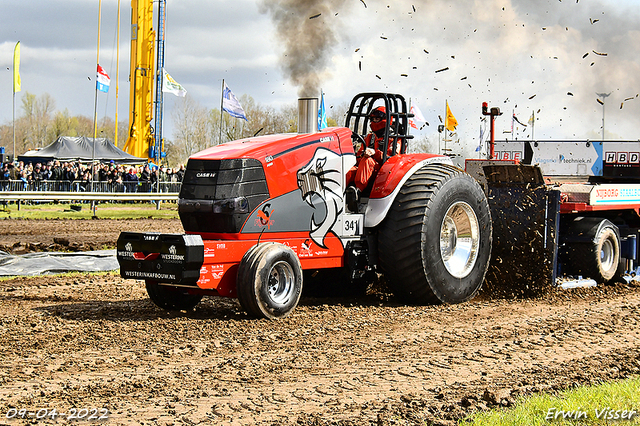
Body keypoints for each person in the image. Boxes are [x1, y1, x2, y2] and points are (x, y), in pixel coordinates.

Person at [345, 106, 397, 210]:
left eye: (376, 119)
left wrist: (375, 153)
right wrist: (362, 155)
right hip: (365, 169)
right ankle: (338, 192)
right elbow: (359, 155)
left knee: (367, 161)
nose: (374, 121)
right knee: (350, 170)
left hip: (383, 172)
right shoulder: (370, 137)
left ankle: (357, 193)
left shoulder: (394, 138)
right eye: (372, 119)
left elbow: (393, 159)